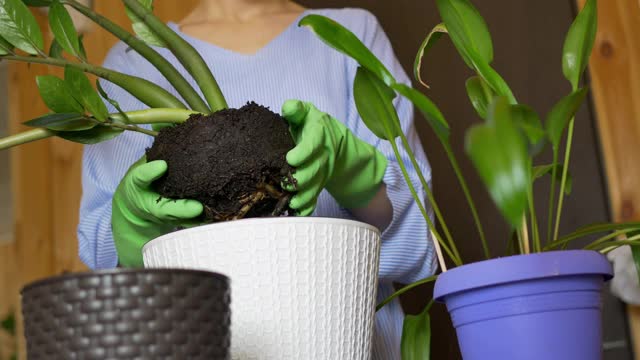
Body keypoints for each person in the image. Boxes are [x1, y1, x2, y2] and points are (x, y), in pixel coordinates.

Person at [77, 0, 435, 358]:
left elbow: (421, 237)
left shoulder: (348, 35)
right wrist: (134, 230)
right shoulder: (132, 62)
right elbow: (110, 270)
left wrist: (355, 173)